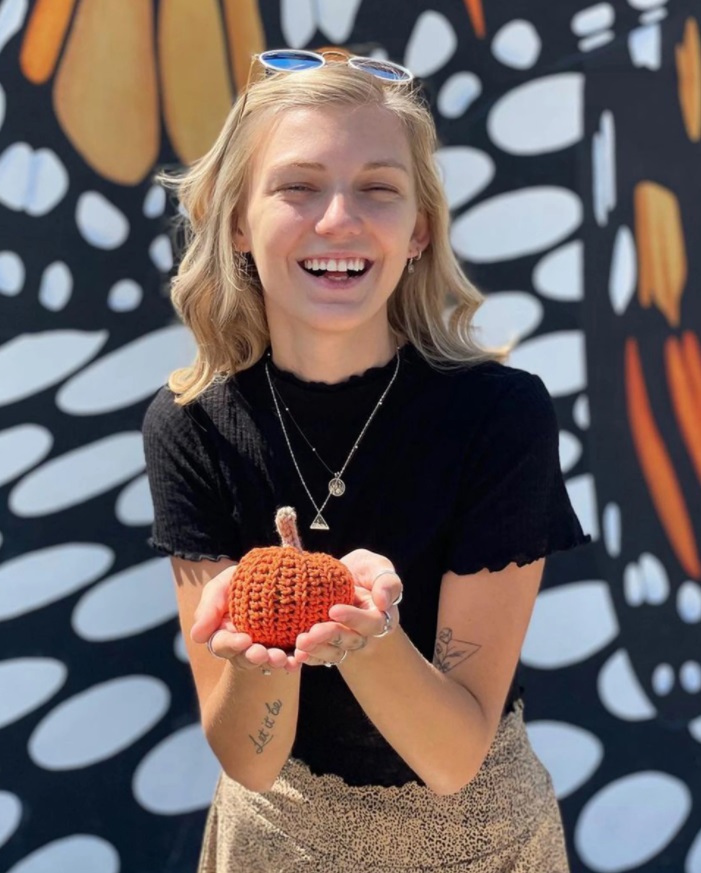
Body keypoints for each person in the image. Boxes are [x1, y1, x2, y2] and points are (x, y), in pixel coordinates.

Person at [142, 49, 590, 873]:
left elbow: (453, 757)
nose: (338, 219)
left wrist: (367, 636)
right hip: (272, 842)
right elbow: (249, 756)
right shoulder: (189, 426)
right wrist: (259, 655)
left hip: (475, 840)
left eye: (378, 188)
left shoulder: (499, 413)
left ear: (418, 229)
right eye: (297, 185)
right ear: (238, 221)